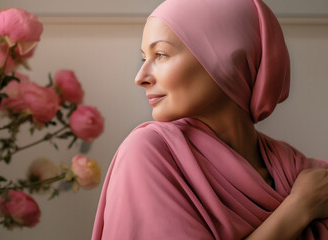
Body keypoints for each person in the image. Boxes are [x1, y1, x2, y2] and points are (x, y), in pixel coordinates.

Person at [91, 0, 328, 239]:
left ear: (229, 61)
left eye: (161, 55)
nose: (140, 77)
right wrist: (299, 208)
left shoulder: (300, 171)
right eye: (145, 58)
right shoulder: (148, 152)